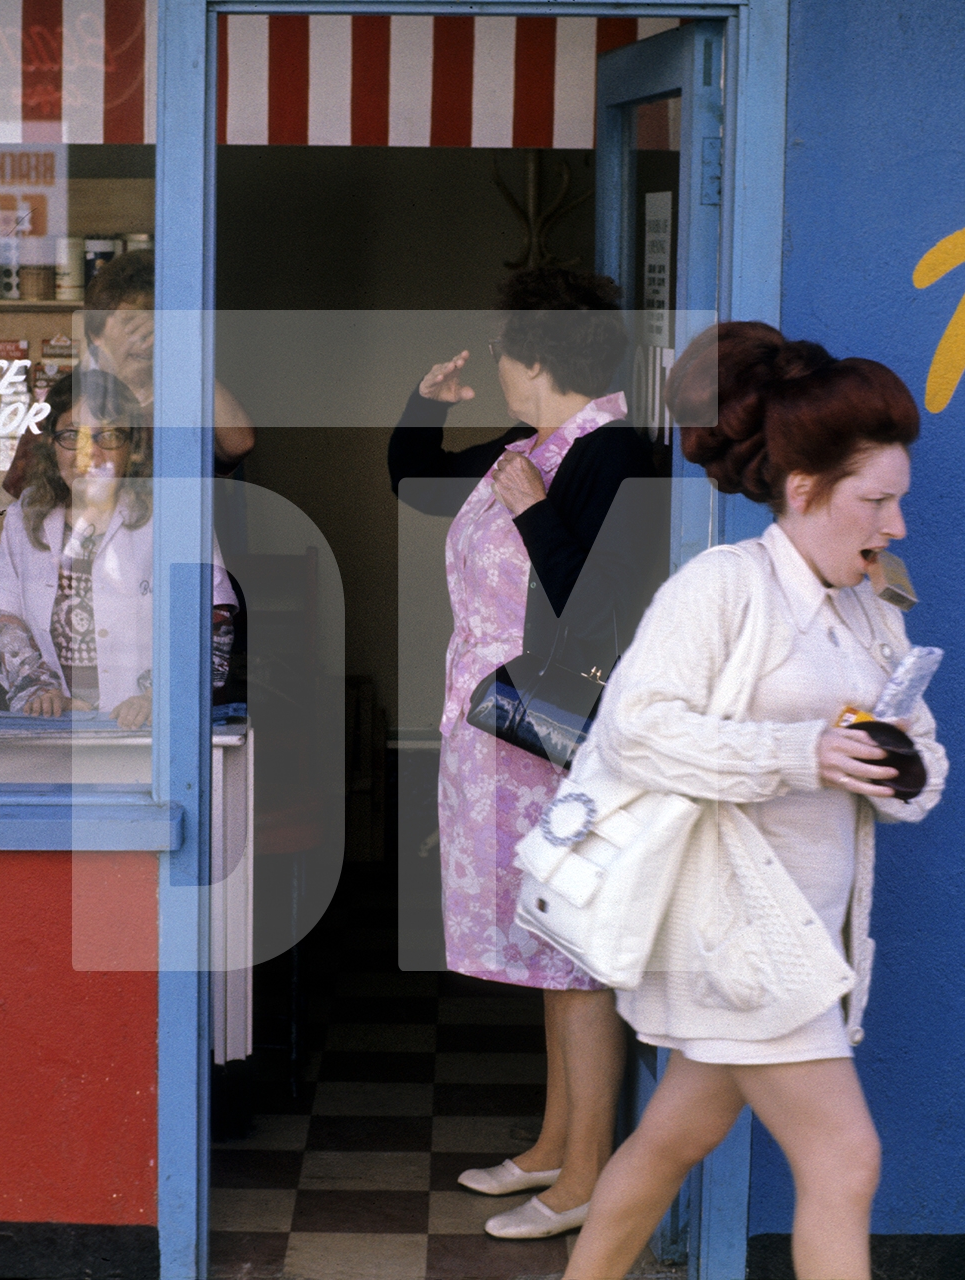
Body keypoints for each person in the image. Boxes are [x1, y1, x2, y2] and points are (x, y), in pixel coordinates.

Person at [561, 322, 949, 1280]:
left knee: (668, 1142)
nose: (896, 525)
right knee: (845, 1160)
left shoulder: (873, 604)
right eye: (877, 501)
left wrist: (901, 773)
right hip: (740, 931)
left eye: (899, 499)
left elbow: (923, 756)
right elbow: (637, 728)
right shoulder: (723, 587)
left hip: (809, 931)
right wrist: (801, 754)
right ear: (805, 489)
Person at [388, 267, 666, 1241]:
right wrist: (429, 399)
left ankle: (587, 1175)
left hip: (561, 747)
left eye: (507, 346)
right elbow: (413, 478)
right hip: (503, 740)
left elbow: (602, 613)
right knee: (548, 948)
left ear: (537, 359)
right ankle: (554, 1143)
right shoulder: (530, 447)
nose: (499, 361)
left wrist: (535, 510)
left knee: (577, 958)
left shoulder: (616, 455)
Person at [0, 250, 255, 640]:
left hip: (176, 610)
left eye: (157, 323)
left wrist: (186, 354)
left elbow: (239, 442)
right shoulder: (66, 408)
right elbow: (8, 522)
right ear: (97, 332)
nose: (146, 337)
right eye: (132, 322)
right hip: (82, 619)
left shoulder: (188, 399)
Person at [0, 370, 237, 727]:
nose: (90, 454)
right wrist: (37, 688)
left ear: (133, 449)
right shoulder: (26, 516)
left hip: (150, 731)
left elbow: (213, 622)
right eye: (72, 436)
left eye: (109, 436)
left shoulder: (176, 517)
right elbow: (3, 617)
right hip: (56, 729)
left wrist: (157, 695)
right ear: (51, 445)